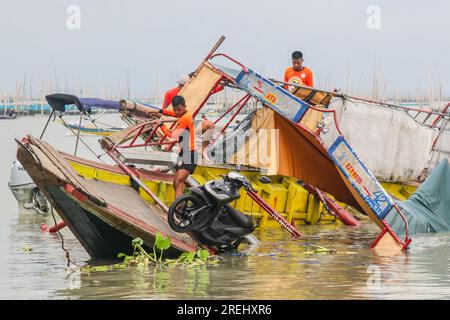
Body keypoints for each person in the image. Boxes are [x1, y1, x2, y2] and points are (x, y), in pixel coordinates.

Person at [156, 95, 198, 199]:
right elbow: (173, 113)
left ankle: (178, 210)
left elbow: (172, 136)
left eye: (179, 110)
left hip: (190, 154)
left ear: (185, 106)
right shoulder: (184, 113)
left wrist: (161, 125)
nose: (177, 112)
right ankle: (179, 207)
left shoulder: (185, 118)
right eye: (176, 110)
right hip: (183, 153)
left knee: (179, 181)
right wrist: (161, 111)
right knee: (176, 182)